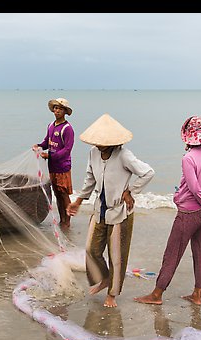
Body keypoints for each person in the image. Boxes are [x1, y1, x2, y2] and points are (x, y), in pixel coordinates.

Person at [134, 116, 201, 306]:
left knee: (172, 253)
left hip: (188, 213)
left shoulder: (188, 158)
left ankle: (157, 294)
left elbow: (194, 189)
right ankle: (197, 295)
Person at [66, 113, 155, 308]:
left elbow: (148, 172)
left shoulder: (124, 155)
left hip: (120, 212)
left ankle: (112, 294)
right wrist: (78, 201)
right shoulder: (93, 153)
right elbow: (90, 178)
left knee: (117, 257)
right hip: (100, 209)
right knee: (91, 250)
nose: (98, 144)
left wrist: (130, 191)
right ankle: (104, 278)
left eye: (102, 142)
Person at [32, 98, 75, 230]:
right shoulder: (51, 125)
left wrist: (49, 155)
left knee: (64, 194)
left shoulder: (67, 129)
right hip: (53, 166)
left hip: (63, 167)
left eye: (60, 109)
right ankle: (62, 219)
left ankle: (67, 221)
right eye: (55, 108)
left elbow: (67, 150)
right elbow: (47, 142)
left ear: (65, 112)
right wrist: (39, 146)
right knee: (57, 193)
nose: (57, 111)